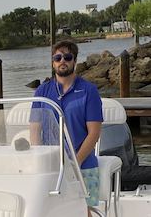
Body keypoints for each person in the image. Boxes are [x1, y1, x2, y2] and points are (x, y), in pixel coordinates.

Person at [30, 40, 103, 217]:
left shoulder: (89, 91)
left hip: (83, 165)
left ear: (74, 61)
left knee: (84, 213)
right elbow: (34, 131)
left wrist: (74, 164)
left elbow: (94, 133)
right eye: (58, 57)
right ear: (53, 62)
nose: (63, 60)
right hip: (51, 165)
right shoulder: (42, 91)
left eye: (67, 57)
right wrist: (42, 159)